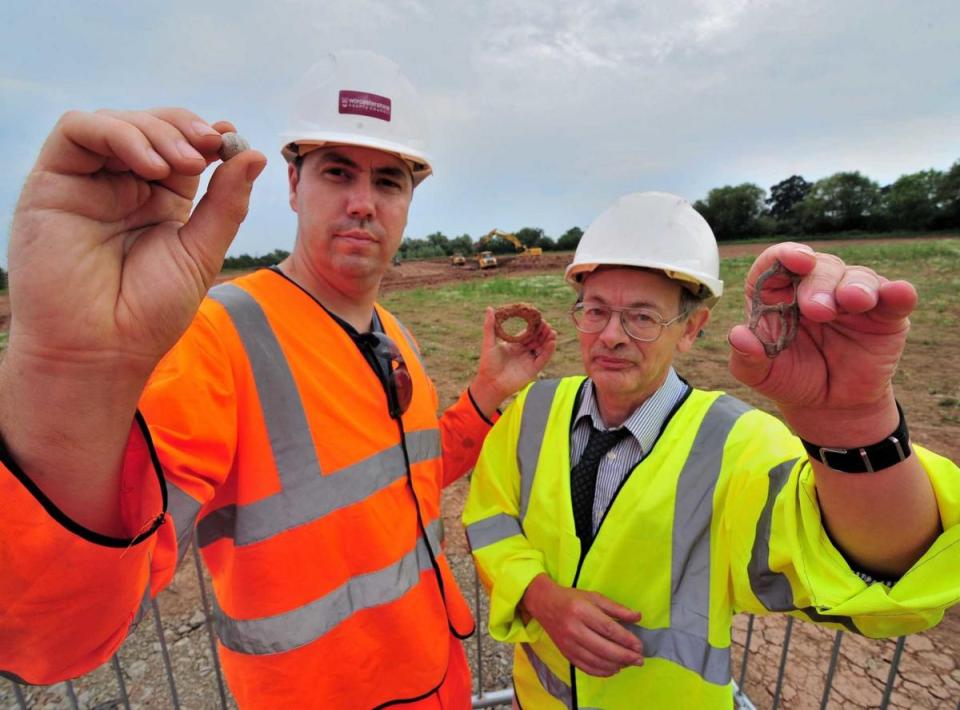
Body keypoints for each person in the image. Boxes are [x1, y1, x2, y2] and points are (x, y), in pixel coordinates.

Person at [0, 51, 556, 708]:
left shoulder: (393, 334)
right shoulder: (220, 337)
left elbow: (408, 477)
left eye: (388, 182)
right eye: (337, 172)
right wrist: (68, 373)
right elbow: (51, 628)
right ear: (292, 185)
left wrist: (488, 394)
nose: (362, 203)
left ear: (409, 202)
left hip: (436, 681)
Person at [463, 191, 960, 709]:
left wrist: (853, 425)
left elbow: (878, 570)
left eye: (642, 317)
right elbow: (489, 518)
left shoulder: (734, 444)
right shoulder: (534, 410)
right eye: (596, 311)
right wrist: (538, 595)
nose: (611, 336)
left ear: (692, 331)